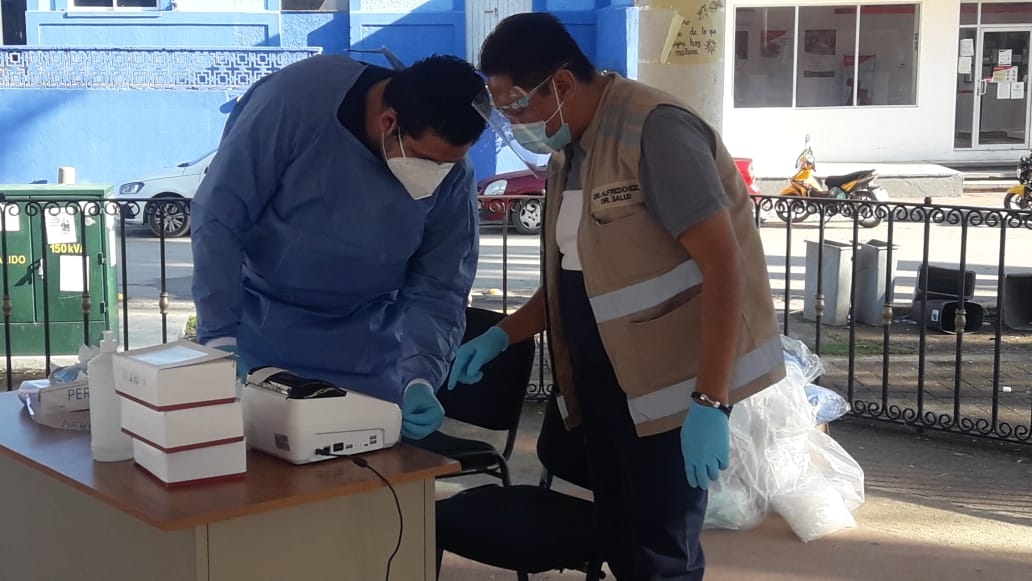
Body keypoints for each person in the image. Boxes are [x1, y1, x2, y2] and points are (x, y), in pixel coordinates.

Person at [450, 13, 786, 580]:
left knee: (661, 556)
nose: (513, 122)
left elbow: (724, 268)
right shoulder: (568, 151)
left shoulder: (655, 130)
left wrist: (710, 402)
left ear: (558, 84)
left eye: (515, 105)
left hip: (673, 399)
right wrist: (500, 334)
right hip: (602, 391)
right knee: (620, 543)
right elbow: (575, 281)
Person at [190, 53, 487, 441]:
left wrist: (420, 378)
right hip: (261, 340)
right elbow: (219, 219)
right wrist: (220, 339)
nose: (438, 175)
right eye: (427, 160)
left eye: (451, 164)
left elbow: (440, 287)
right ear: (389, 123)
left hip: (368, 354)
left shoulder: (452, 172)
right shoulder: (294, 101)